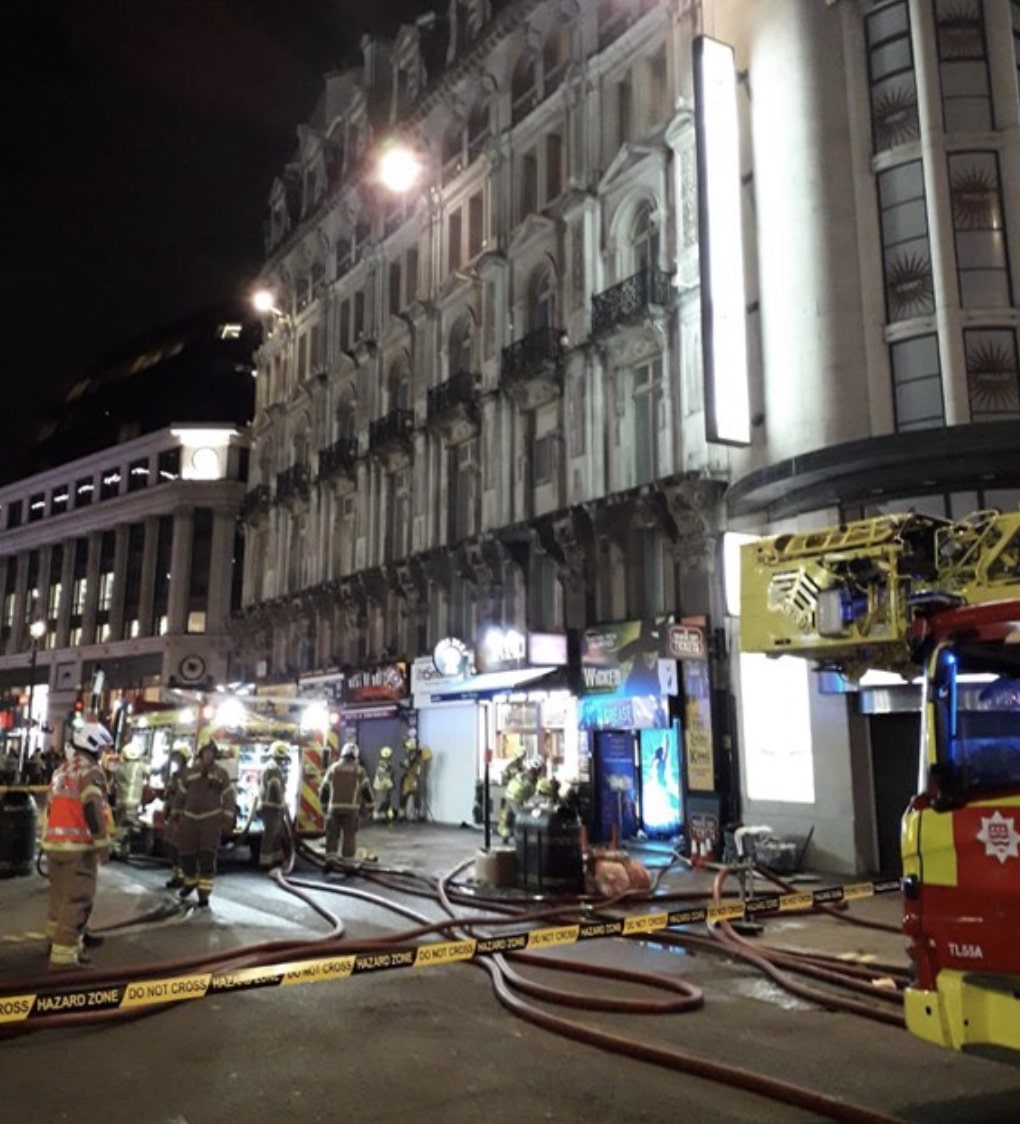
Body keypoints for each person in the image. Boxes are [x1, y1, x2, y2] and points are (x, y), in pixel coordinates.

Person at [42, 721, 114, 970]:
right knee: (77, 900)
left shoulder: (62, 770)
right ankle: (63, 960)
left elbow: (52, 806)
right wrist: (102, 843)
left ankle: (57, 942)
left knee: (60, 899)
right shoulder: (90, 772)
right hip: (78, 848)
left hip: (55, 845)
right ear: (93, 745)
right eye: (102, 748)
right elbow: (92, 808)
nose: (104, 754)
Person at [177, 739, 236, 907]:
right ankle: (190, 882)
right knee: (186, 855)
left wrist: (227, 818)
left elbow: (228, 797)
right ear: (200, 753)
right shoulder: (189, 773)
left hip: (210, 822)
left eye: (211, 752)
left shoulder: (221, 774)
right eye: (205, 752)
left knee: (207, 856)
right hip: (189, 820)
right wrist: (175, 813)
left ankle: (204, 894)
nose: (208, 755)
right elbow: (180, 795)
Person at [319, 741, 373, 871]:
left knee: (332, 835)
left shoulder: (333, 768)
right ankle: (348, 865)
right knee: (349, 836)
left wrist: (324, 805)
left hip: (334, 808)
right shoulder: (359, 771)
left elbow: (324, 789)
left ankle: (330, 859)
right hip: (351, 809)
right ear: (355, 756)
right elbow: (366, 791)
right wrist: (370, 806)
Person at [258, 740, 291, 871]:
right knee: (270, 834)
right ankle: (265, 862)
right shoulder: (273, 769)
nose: (283, 761)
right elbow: (276, 786)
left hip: (272, 806)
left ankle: (277, 859)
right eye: (282, 759)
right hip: (271, 806)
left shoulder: (272, 767)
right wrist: (281, 803)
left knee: (277, 833)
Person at [162, 748, 189, 888]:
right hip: (174, 814)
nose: (175, 760)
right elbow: (169, 795)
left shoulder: (187, 776)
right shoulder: (176, 775)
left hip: (181, 816)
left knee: (177, 846)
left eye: (178, 758)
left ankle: (182, 875)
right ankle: (177, 874)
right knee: (171, 845)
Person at [398, 737, 432, 822]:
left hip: (412, 778)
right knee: (406, 796)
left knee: (411, 796)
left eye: (407, 748)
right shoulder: (413, 756)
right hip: (410, 778)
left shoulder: (415, 757)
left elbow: (408, 764)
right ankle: (404, 814)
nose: (406, 749)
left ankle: (415, 814)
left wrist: (404, 764)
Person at [372, 745, 396, 821]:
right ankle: (376, 814)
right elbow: (384, 778)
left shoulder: (386, 766)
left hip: (384, 787)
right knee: (381, 800)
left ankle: (383, 814)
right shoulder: (382, 767)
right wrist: (391, 784)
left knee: (386, 800)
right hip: (381, 787)